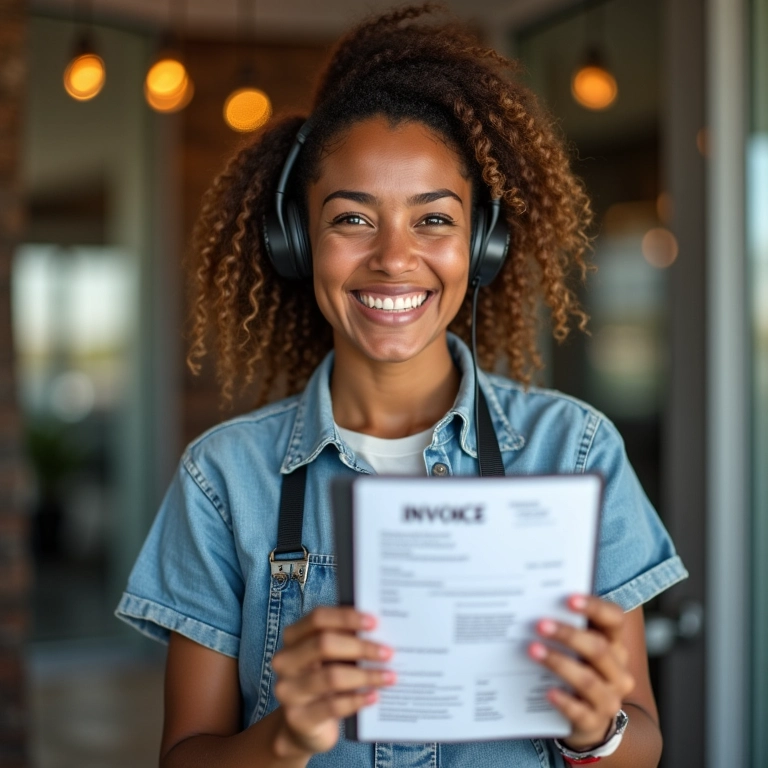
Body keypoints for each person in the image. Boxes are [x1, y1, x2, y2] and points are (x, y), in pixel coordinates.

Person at [115, 6, 687, 767]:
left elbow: (642, 745)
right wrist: (285, 737)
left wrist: (597, 730)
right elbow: (185, 757)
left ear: (482, 245)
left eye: (433, 221)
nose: (393, 258)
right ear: (297, 241)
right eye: (352, 218)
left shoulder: (577, 450)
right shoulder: (223, 479)